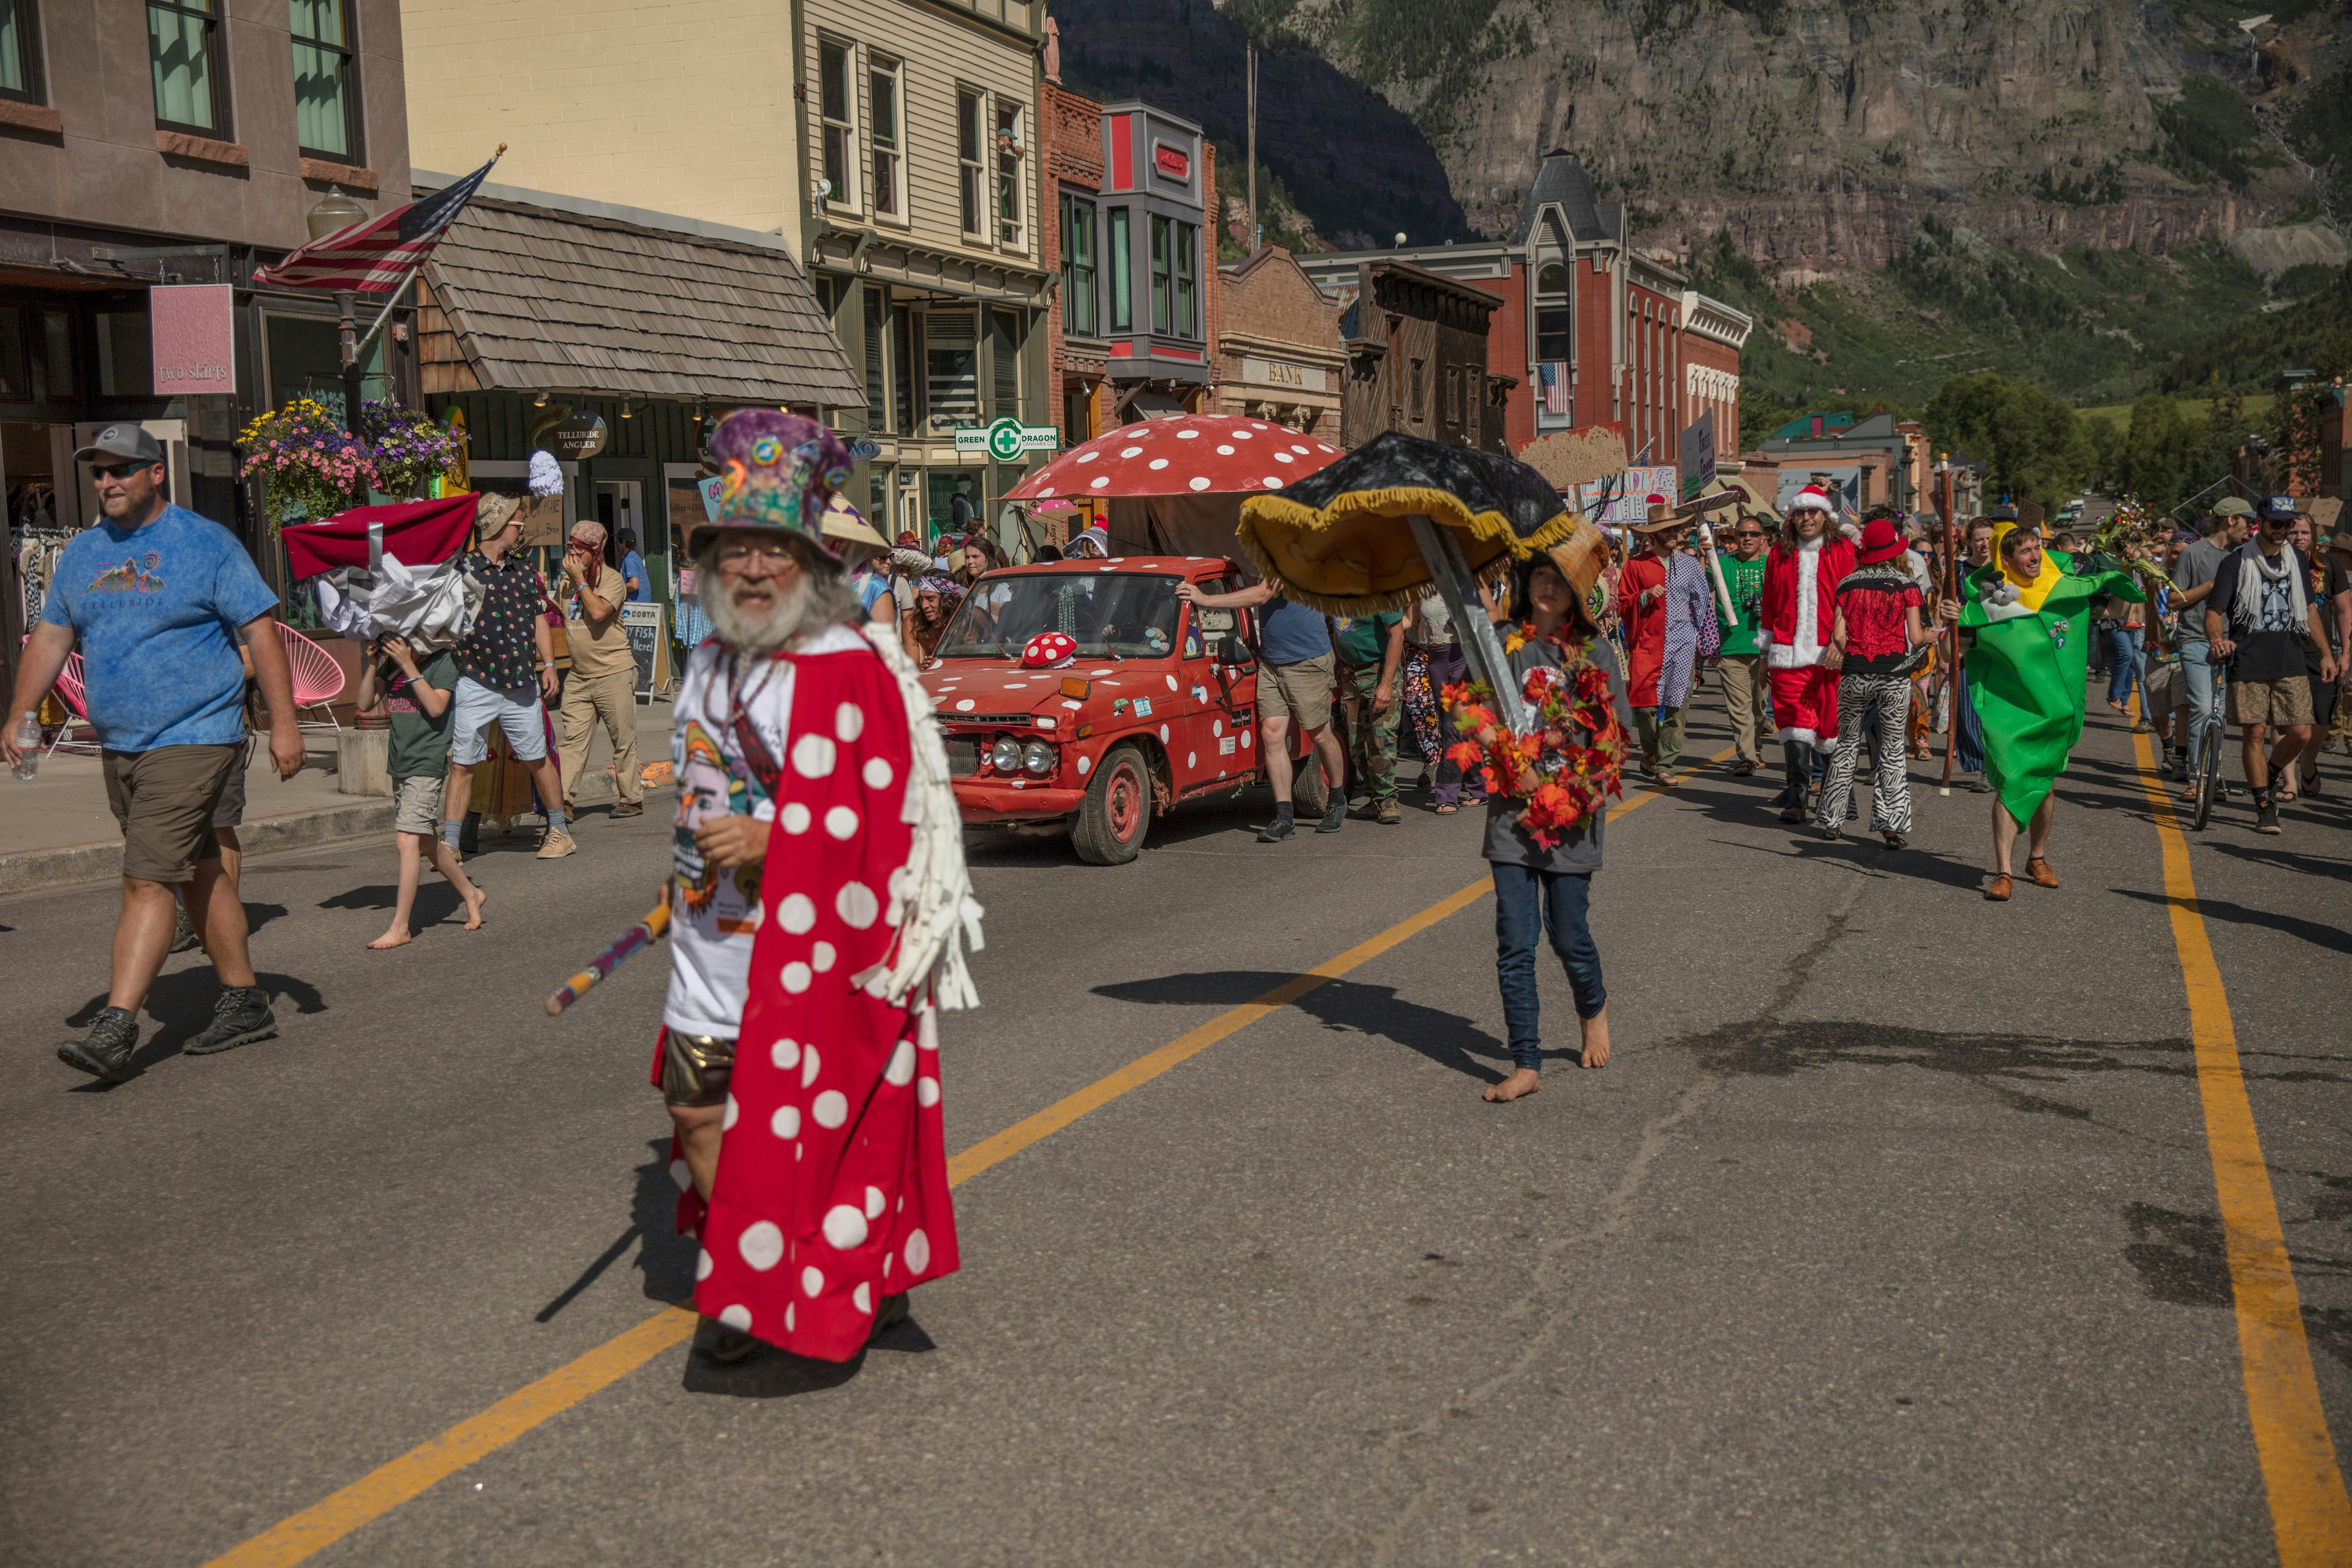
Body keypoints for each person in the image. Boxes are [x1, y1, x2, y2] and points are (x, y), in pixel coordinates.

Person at [655, 410, 977, 1365]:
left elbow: (894, 835)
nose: (753, 571)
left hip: (823, 950)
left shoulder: (851, 668)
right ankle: (753, 1271)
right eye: (736, 551)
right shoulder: (706, 658)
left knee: (840, 1123)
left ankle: (851, 1277)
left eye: (775, 552)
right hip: (709, 947)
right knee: (698, 1112)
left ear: (813, 564)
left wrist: (774, 837)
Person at [4, 424, 306, 1081]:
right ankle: (246, 1001)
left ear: (156, 473)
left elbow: (261, 631)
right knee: (200, 868)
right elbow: (51, 638)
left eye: (122, 470)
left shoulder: (204, 544)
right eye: (100, 474)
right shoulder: (84, 554)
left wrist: (285, 724)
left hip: (196, 734)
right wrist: (21, 711)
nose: (108, 483)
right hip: (123, 743)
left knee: (146, 877)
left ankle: (117, 1027)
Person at [1475, 544, 1632, 1104]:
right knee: (1516, 942)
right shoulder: (1501, 645)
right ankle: (1526, 1062)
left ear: (1577, 593)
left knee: (1569, 937)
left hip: (1573, 817)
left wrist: (1570, 788)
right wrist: (1501, 751)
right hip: (1511, 821)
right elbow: (1467, 707)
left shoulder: (1596, 653)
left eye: (1559, 579)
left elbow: (1615, 741)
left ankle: (1593, 1008)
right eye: (1539, 575)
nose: (1548, 586)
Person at [1961, 518, 2140, 899]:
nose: (2035, 556)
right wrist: (1950, 622)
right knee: (2012, 780)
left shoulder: (2066, 587)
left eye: (2036, 548)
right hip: (2010, 709)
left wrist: (2126, 567)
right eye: (2025, 551)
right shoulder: (1990, 602)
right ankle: (2004, 872)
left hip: (2058, 708)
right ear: (2006, 560)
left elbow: (2117, 611)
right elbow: (1952, 654)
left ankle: (2037, 857)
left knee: (2042, 785)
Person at [443, 493, 575, 859]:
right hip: (476, 679)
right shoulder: (462, 570)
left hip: (520, 684)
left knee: (537, 758)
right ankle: (451, 842)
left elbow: (538, 619)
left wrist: (549, 664)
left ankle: (559, 832)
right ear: (499, 526)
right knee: (463, 763)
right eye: (518, 524)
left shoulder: (524, 572)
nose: (522, 530)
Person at [2204, 495, 2338, 834]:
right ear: (2260, 523)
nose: (2282, 530)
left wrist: (2325, 653)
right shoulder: (2235, 564)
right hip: (2248, 661)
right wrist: (2219, 640)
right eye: (2275, 523)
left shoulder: (2295, 562)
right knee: (2256, 733)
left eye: (2288, 524)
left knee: (2301, 733)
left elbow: (2308, 610)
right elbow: (2213, 613)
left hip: (2290, 659)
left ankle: (2273, 772)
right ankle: (2264, 804)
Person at [1178, 575, 1347, 841]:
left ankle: (1337, 798)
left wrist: (1206, 599)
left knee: (1319, 734)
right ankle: (1284, 818)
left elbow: (1262, 594)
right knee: (1271, 734)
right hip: (1271, 662)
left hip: (1307, 661)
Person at [353, 633, 487, 948]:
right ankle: (471, 893)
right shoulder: (392, 665)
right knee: (426, 840)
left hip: (427, 765)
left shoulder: (443, 661)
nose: (398, 645)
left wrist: (405, 663)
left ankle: (401, 927)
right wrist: (374, 665)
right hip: (400, 763)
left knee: (406, 841)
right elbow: (364, 704)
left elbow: (437, 706)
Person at [1815, 517, 1928, 848]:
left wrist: (1856, 647)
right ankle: (1890, 826)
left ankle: (1832, 819)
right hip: (1893, 676)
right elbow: (1916, 637)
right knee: (1893, 750)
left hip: (1854, 674)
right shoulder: (1907, 585)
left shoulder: (1847, 584)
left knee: (1846, 744)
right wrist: (1934, 635)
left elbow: (1838, 635)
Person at [1758, 484, 1858, 822]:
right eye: (1800, 513)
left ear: (1824, 515)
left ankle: (1840, 796)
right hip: (1786, 654)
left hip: (1830, 654)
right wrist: (1764, 654)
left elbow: (1851, 599)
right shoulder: (1779, 553)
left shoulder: (1842, 550)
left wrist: (1839, 641)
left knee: (1831, 727)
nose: (1806, 518)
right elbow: (1770, 604)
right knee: (1792, 726)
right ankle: (1797, 798)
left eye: (1812, 512)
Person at [554, 519, 646, 824]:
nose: (570, 555)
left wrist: (580, 582)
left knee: (622, 740)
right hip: (580, 676)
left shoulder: (612, 579)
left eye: (576, 550)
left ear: (593, 553)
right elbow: (554, 614)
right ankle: (563, 802)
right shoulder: (567, 581)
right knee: (572, 742)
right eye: (568, 548)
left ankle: (631, 798)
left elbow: (597, 611)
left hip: (614, 672)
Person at [1616, 500, 1714, 777]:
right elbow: (1622, 605)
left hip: (1683, 643)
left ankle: (1665, 765)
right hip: (1648, 643)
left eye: (1676, 528)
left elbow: (1703, 603)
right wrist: (1644, 597)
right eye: (1667, 530)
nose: (1673, 533)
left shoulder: (1690, 564)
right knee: (1645, 707)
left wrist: (1703, 643)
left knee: (1677, 707)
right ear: (1653, 535)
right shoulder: (1636, 566)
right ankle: (1650, 749)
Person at [2171, 497, 2253, 801]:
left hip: (2232, 643)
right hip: (2195, 640)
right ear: (2231, 520)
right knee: (2203, 708)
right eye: (2246, 520)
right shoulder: (2194, 553)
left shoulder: (2244, 554)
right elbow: (2174, 601)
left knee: (2218, 715)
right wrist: (2214, 584)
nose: (2250, 528)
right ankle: (2196, 778)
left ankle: (2214, 775)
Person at [2278, 510, 2350, 798]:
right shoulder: (2275, 563)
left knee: (2321, 718)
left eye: (2305, 532)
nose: (2298, 537)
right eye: (2293, 531)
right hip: (2283, 652)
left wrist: (2346, 653)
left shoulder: (2330, 566)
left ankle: (2308, 761)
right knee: (2284, 719)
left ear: (2314, 537)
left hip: (2322, 655)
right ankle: (2289, 781)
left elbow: (2344, 611)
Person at [1402, 583, 1487, 813]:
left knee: (1451, 725)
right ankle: (1479, 786)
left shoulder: (1464, 581)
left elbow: (1488, 616)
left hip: (1463, 657)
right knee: (1458, 726)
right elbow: (1410, 621)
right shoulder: (1420, 586)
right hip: (1435, 659)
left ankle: (1447, 796)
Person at [1711, 509, 1773, 775]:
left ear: (1763, 538)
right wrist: (1706, 551)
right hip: (1732, 646)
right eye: (1742, 534)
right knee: (1739, 708)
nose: (1747, 537)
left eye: (1753, 534)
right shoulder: (1720, 564)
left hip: (1765, 649)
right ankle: (1747, 757)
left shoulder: (1773, 564)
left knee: (1759, 707)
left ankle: (1755, 749)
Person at [1334, 606, 1404, 823]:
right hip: (1350, 675)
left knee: (1381, 738)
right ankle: (1375, 797)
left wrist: (1385, 684)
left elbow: (1397, 635)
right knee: (1356, 744)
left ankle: (1387, 799)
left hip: (1378, 671)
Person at [907, 574, 963, 662]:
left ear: (948, 600)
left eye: (930, 598)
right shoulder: (913, 622)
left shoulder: (968, 618)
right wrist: (922, 669)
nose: (924, 605)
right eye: (921, 598)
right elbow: (910, 670)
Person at [617, 529, 650, 603]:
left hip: (636, 609)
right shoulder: (633, 557)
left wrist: (616, 590)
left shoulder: (630, 559)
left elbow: (634, 585)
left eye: (618, 540)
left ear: (623, 541)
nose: (616, 543)